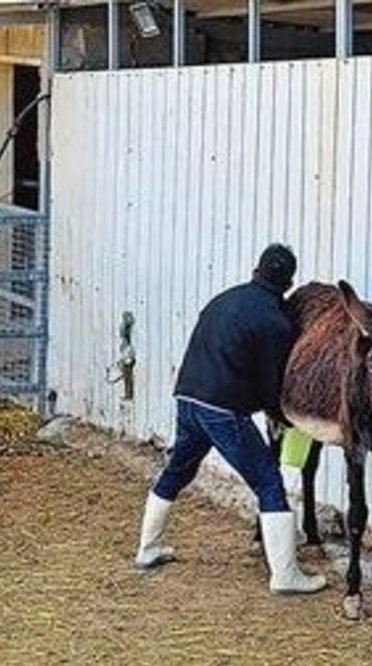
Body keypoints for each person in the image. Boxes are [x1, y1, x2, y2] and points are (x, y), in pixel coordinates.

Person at [134, 244, 327, 594]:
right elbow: (271, 386)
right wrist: (284, 417)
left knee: (178, 471)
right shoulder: (276, 322)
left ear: (256, 269)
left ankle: (148, 549)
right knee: (268, 482)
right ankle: (285, 576)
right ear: (288, 283)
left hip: (187, 398)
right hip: (222, 411)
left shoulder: (223, 298)